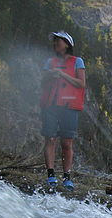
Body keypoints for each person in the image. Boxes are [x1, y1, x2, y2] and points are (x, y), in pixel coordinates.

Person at [40, 31, 86, 190]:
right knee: (50, 139)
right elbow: (42, 80)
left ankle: (67, 177)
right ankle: (51, 175)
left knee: (67, 143)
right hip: (51, 105)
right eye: (54, 42)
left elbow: (81, 83)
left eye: (58, 42)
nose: (55, 44)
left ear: (67, 44)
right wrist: (51, 75)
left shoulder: (77, 62)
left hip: (69, 107)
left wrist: (62, 74)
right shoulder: (49, 62)